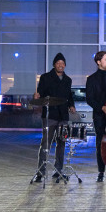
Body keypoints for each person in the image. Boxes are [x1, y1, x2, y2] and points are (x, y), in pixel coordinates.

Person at [33, 52, 76, 182]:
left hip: (63, 116)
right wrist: (37, 96)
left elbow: (69, 95)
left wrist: (71, 105)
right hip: (50, 115)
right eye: (58, 63)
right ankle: (41, 172)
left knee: (61, 143)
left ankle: (58, 170)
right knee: (46, 143)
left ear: (65, 65)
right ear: (54, 65)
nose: (60, 65)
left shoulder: (68, 80)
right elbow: (40, 93)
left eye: (62, 63)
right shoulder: (46, 77)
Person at [85, 50, 106, 182]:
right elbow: (89, 99)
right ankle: (101, 172)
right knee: (100, 144)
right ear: (98, 62)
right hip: (99, 116)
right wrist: (102, 107)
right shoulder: (91, 79)